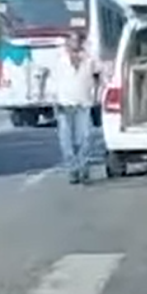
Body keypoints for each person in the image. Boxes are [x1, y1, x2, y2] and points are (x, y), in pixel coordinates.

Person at [51, 31, 101, 185]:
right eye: (72, 40)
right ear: (67, 43)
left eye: (78, 40)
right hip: (64, 104)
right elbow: (52, 80)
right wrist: (53, 100)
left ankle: (83, 167)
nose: (75, 43)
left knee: (85, 138)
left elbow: (98, 75)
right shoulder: (59, 59)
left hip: (84, 103)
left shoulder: (89, 59)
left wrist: (96, 95)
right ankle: (73, 169)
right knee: (66, 140)